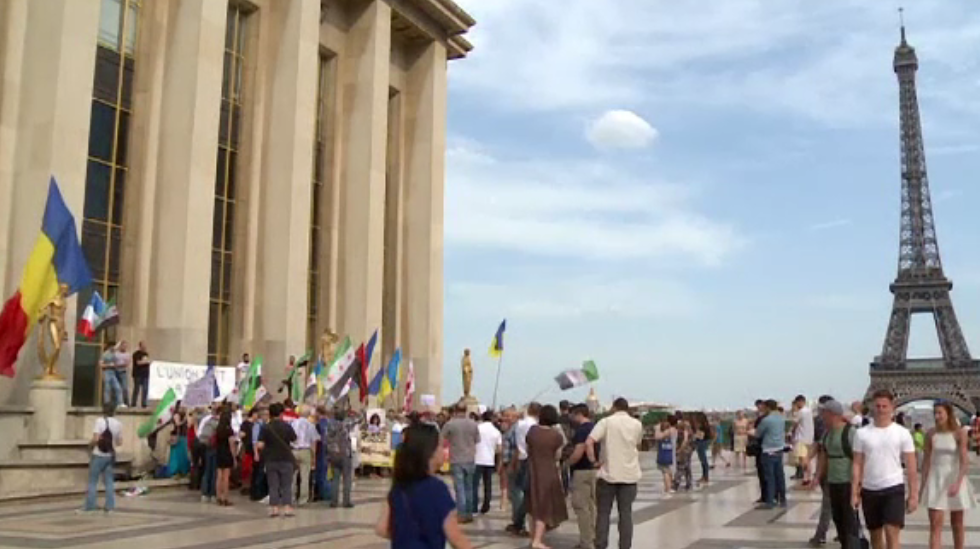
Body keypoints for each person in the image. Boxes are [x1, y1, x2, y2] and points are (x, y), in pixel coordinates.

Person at [374, 422, 474, 549]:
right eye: (440, 446)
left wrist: (408, 537)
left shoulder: (398, 488)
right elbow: (455, 537)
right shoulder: (437, 489)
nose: (443, 451)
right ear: (429, 452)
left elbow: (382, 528)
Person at [852, 389, 918, 549]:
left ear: (892, 407)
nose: (881, 409)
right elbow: (857, 464)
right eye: (878, 406)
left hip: (893, 488)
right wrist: (854, 492)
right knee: (875, 537)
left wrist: (913, 494)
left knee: (891, 533)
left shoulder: (902, 433)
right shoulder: (861, 434)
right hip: (869, 489)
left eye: (884, 406)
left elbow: (911, 465)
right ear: (873, 407)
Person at [588, 397, 643, 549]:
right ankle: (625, 545)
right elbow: (637, 444)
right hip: (630, 475)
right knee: (626, 514)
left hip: (608, 474)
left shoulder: (606, 422)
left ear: (614, 407)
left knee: (603, 513)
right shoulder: (637, 424)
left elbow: (589, 441)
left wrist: (594, 461)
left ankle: (601, 544)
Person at [920, 401, 975, 549]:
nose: (937, 416)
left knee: (957, 523)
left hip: (954, 477)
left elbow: (964, 461)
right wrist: (922, 486)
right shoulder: (931, 434)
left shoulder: (959, 433)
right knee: (935, 525)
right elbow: (926, 461)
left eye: (940, 413)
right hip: (936, 478)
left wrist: (958, 483)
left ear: (948, 414)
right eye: (935, 413)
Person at [810, 399, 859, 549]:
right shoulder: (827, 433)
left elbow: (859, 458)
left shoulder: (850, 432)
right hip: (832, 482)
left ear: (832, 414)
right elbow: (824, 456)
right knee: (838, 518)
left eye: (824, 413)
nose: (821, 417)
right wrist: (817, 477)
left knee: (849, 519)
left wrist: (858, 484)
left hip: (847, 481)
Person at [525, 404, 568, 549]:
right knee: (545, 506)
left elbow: (527, 448)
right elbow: (558, 455)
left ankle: (534, 537)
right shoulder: (556, 436)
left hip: (532, 469)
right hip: (549, 471)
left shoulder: (532, 432)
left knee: (534, 505)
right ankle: (537, 540)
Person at [442, 403, 481, 523]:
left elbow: (442, 439)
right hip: (470, 458)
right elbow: (477, 440)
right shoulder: (473, 424)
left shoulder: (450, 424)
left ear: (455, 410)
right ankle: (469, 513)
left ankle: (461, 513)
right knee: (469, 487)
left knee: (460, 488)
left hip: (456, 458)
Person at [81, 402, 122, 513]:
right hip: (109, 455)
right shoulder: (118, 423)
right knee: (109, 481)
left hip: (98, 454)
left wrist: (89, 447)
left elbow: (96, 438)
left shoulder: (99, 421)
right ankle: (110, 506)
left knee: (92, 481)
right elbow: (119, 442)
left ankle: (90, 505)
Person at [507, 402, 540, 536]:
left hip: (521, 459)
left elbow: (517, 446)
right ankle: (527, 524)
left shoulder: (520, 425)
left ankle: (518, 522)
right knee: (530, 493)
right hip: (534, 460)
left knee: (518, 492)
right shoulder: (537, 425)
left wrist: (513, 463)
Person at [258, 402, 297, 517]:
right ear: (281, 414)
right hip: (286, 459)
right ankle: (287, 508)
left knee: (273, 485)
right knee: (286, 485)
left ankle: (274, 508)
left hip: (271, 459)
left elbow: (260, 444)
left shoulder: (266, 427)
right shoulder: (287, 426)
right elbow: (294, 438)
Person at [568, 403, 598, 549]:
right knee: (592, 506)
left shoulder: (581, 430)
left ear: (578, 414)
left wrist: (568, 463)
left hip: (581, 471)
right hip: (594, 470)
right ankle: (593, 536)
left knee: (581, 507)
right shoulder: (595, 427)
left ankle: (586, 542)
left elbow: (579, 450)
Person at [755, 399, 786, 509]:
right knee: (779, 475)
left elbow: (758, 434)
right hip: (779, 448)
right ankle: (782, 499)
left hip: (768, 449)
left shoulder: (766, 420)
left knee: (769, 476)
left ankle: (770, 500)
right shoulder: (781, 418)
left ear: (767, 407)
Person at [290, 404, 319, 506]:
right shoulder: (311, 425)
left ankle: (291, 497)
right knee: (305, 476)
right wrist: (313, 456)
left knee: (292, 476)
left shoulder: (293, 423)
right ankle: (303, 499)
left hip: (293, 450)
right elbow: (313, 442)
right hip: (305, 451)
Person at [326, 408, 355, 508]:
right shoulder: (346, 425)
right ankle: (346, 501)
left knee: (335, 479)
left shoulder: (330, 425)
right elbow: (360, 420)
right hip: (345, 454)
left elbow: (327, 439)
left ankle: (334, 501)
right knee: (347, 479)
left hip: (334, 454)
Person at [474, 411, 502, 515]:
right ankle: (486, 505)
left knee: (475, 484)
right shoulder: (496, 431)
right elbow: (499, 449)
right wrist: (498, 462)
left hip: (477, 459)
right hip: (489, 460)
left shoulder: (478, 428)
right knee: (487, 484)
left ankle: (474, 505)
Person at [214, 410, 238, 506]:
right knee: (226, 477)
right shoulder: (229, 430)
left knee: (219, 476)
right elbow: (231, 444)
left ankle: (218, 496)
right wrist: (234, 457)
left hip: (219, 452)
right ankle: (225, 498)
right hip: (227, 453)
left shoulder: (218, 428)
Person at [197, 405, 219, 503]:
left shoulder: (207, 421)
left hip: (207, 447)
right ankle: (212, 493)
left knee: (207, 470)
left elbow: (200, 434)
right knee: (214, 471)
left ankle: (205, 494)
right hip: (215, 448)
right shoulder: (218, 423)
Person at [791, 395, 815, 484]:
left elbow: (795, 424)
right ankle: (809, 477)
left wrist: (790, 433)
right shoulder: (809, 411)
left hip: (801, 438)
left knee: (803, 459)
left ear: (799, 402)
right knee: (807, 459)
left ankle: (806, 478)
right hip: (809, 437)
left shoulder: (801, 412)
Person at [100, 341, 126, 408]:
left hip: (113, 373)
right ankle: (107, 403)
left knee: (117, 387)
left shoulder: (113, 353)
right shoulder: (105, 354)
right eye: (112, 347)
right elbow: (101, 364)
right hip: (107, 372)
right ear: (110, 347)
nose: (114, 348)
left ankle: (120, 402)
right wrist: (109, 365)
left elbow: (116, 347)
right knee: (107, 388)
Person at [167, 410, 191, 478]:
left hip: (184, 436)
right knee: (176, 455)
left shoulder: (186, 414)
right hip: (177, 437)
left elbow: (189, 425)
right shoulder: (176, 415)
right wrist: (184, 419)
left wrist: (188, 417)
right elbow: (177, 424)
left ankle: (183, 471)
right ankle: (174, 471)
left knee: (183, 454)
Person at [655, 418, 675, 493]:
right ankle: (670, 486)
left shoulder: (663, 434)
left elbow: (657, 437)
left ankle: (668, 488)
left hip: (662, 456)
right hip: (669, 455)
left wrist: (657, 429)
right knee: (669, 471)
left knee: (665, 472)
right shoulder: (670, 433)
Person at [673, 417, 694, 492]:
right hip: (689, 451)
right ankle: (689, 483)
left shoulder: (685, 431)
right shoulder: (690, 431)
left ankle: (676, 483)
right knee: (687, 467)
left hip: (684, 451)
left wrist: (679, 450)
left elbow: (685, 441)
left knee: (680, 467)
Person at [129, 341, 151, 408]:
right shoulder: (136, 354)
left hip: (145, 374)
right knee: (137, 389)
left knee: (145, 389)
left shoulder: (146, 354)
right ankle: (133, 403)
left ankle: (144, 403)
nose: (145, 347)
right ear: (140, 346)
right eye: (143, 345)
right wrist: (146, 362)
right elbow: (138, 363)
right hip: (138, 374)